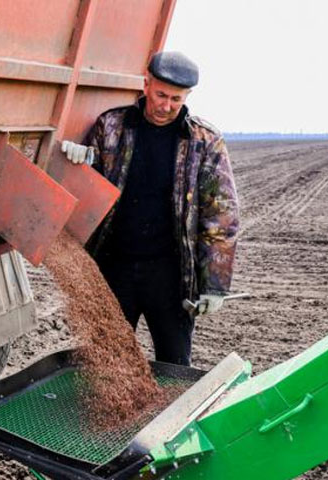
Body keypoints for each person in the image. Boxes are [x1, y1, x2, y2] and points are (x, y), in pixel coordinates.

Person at [61, 51, 239, 366]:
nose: (165, 105)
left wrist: (215, 284)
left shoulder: (205, 141)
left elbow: (220, 217)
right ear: (146, 84)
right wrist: (79, 158)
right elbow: (86, 186)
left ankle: (172, 416)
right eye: (160, 94)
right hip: (114, 269)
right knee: (106, 363)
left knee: (174, 364)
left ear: (187, 97)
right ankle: (108, 416)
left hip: (170, 275)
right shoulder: (111, 126)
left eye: (175, 98)